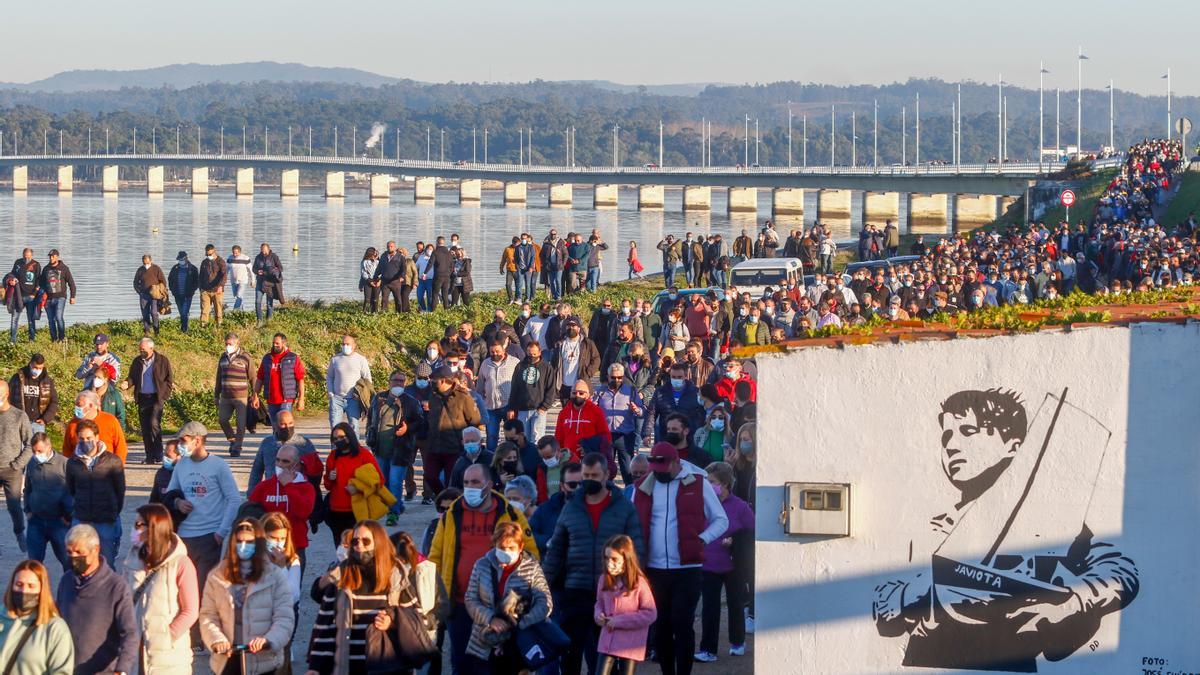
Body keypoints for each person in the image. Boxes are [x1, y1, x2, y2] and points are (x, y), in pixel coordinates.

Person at [428, 464, 537, 674]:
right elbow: (436, 555)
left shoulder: (510, 514)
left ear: (488, 484)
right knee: (462, 662)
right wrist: (435, 593)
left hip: (498, 606)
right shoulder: (453, 513)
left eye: (475, 482)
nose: (470, 487)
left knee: (497, 664)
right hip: (458, 604)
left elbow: (532, 556)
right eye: (466, 483)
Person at [543, 453, 644, 675]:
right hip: (575, 590)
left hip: (611, 592)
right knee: (571, 653)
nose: (589, 479)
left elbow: (636, 550)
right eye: (585, 475)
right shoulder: (571, 508)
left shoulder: (624, 507)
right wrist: (543, 586)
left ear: (607, 475)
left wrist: (633, 586)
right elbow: (556, 550)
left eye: (594, 475)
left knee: (606, 657)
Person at [635, 442, 729, 675]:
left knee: (682, 622)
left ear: (677, 463)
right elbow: (633, 524)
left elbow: (721, 520)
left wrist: (702, 539)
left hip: (688, 566)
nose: (659, 472)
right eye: (655, 466)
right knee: (662, 626)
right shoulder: (642, 487)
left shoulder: (698, 484)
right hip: (654, 569)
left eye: (664, 466)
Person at [165, 421, 241, 646]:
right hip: (185, 536)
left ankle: (203, 637)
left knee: (204, 588)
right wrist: (178, 502)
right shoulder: (181, 465)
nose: (180, 445)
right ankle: (187, 635)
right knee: (181, 588)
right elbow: (169, 494)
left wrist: (221, 531)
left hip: (210, 536)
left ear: (197, 440)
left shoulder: (218, 466)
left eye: (183, 440)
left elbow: (234, 498)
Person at [307, 521, 410, 675]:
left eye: (366, 541)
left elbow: (416, 616)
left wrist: (392, 619)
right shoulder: (341, 576)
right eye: (355, 541)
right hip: (348, 664)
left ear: (379, 542)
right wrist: (316, 667)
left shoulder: (397, 576)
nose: (359, 545)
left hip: (388, 664)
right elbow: (325, 626)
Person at [199, 517, 295, 675]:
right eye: (239, 541)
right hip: (226, 660)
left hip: (263, 661)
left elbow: (285, 617)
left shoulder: (275, 575)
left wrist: (268, 640)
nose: (243, 546)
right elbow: (208, 616)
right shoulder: (217, 576)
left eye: (249, 542)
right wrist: (217, 639)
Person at [463, 520, 552, 674]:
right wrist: (490, 619)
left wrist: (520, 624)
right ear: (495, 545)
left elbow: (545, 603)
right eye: (502, 548)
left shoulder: (532, 568)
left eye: (511, 548)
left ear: (520, 547)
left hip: (518, 644)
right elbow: (471, 599)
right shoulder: (482, 565)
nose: (506, 552)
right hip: (485, 641)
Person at [126, 503, 199, 674]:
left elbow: (191, 611)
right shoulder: (133, 559)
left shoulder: (181, 564)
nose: (134, 530)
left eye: (138, 525)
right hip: (135, 653)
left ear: (154, 528)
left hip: (168, 658)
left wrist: (167, 637)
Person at [56, 524, 138, 675]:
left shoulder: (116, 586)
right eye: (69, 552)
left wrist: (122, 670)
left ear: (96, 550)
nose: (73, 557)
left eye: (79, 552)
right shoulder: (66, 581)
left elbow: (130, 634)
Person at [694, 462, 754, 664]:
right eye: (707, 481)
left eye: (713, 482)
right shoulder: (701, 504)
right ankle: (708, 649)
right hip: (708, 563)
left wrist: (735, 541)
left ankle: (737, 642)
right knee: (709, 608)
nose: (708, 485)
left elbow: (752, 532)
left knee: (735, 605)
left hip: (733, 565)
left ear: (726, 483)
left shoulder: (741, 507)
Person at [366, 370, 425, 526]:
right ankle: (396, 506)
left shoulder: (411, 402)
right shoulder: (379, 398)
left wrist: (408, 429)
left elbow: (421, 423)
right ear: (389, 381)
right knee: (383, 482)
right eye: (395, 380)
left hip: (401, 450)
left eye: (401, 381)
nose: (398, 383)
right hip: (380, 448)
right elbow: (371, 419)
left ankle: (393, 513)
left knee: (395, 482)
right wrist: (369, 436)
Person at [64, 420, 125, 568]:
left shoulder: (113, 461)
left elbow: (120, 490)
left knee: (107, 563)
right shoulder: (72, 463)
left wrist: (113, 511)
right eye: (82, 439)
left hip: (105, 519)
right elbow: (71, 489)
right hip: (82, 518)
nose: (86, 442)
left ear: (97, 437)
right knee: (80, 564)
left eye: (89, 438)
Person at [594, 534, 657, 675]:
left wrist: (619, 621)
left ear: (626, 559)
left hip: (630, 644)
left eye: (614, 559)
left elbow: (650, 613)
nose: (609, 563)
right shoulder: (604, 579)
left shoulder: (639, 583)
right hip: (607, 642)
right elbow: (599, 603)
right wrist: (598, 615)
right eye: (606, 558)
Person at [248, 445, 317, 571]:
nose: (280, 464)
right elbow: (249, 514)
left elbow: (303, 512)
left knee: (292, 590)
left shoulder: (306, 488)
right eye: (278, 460)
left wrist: (288, 486)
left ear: (297, 465)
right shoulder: (264, 487)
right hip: (267, 549)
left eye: (285, 461)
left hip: (294, 548)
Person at [0, 560, 75, 674]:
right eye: (19, 585)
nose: (24, 591)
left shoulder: (54, 629)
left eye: (31, 586)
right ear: (11, 586)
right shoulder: (2, 618)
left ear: (42, 590)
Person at [425, 366, 483, 499]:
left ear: (444, 381)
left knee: (452, 482)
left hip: (454, 447)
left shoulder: (463, 397)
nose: (432, 383)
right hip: (434, 445)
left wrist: (468, 440)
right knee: (430, 476)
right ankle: (444, 499)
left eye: (434, 380)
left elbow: (475, 420)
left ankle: (449, 509)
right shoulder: (433, 396)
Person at [323, 422, 384, 546]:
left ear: (350, 436)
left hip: (358, 510)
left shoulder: (363, 455)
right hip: (336, 511)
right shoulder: (332, 457)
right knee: (341, 550)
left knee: (358, 549)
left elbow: (379, 481)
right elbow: (327, 485)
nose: (338, 441)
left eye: (341, 437)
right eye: (335, 439)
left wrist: (359, 489)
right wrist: (330, 478)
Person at [247, 409, 322, 493]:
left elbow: (315, 472)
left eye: (290, 423)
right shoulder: (267, 443)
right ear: (275, 425)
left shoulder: (304, 443)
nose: (287, 427)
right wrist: (252, 493)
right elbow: (257, 469)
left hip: (296, 493)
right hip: (272, 492)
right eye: (283, 424)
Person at [23, 433, 69, 570]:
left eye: (40, 451)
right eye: (34, 451)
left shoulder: (64, 463)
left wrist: (68, 516)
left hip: (59, 522)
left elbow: (73, 491)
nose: (36, 454)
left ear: (49, 447)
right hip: (36, 522)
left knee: (69, 563)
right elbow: (27, 489)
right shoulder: (31, 463)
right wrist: (28, 510)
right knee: (33, 565)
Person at [123, 337, 173, 464]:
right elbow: (132, 377)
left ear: (151, 348)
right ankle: (149, 455)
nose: (141, 352)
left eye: (143, 350)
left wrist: (164, 395)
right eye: (140, 350)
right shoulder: (137, 362)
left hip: (157, 397)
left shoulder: (162, 360)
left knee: (154, 423)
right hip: (142, 398)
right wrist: (127, 383)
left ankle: (159, 453)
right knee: (145, 428)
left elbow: (169, 379)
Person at [594, 363, 643, 484]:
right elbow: (591, 410)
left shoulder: (631, 391)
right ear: (608, 376)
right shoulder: (600, 392)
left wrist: (637, 410)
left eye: (620, 377)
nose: (617, 380)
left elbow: (642, 412)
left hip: (625, 436)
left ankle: (629, 496)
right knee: (606, 471)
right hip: (606, 436)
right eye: (613, 377)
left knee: (627, 470)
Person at [0, 380, 32, 551]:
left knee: (13, 507)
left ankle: (20, 533)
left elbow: (30, 443)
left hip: (12, 469)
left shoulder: (19, 416)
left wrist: (18, 464)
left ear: (5, 395)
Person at [214, 333, 258, 458]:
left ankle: (237, 448)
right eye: (226, 344)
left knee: (240, 424)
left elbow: (253, 378)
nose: (228, 346)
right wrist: (216, 395)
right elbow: (218, 378)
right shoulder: (223, 357)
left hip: (241, 396)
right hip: (226, 396)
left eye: (230, 344)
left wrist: (255, 395)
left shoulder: (246, 357)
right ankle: (232, 439)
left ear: (237, 343)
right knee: (222, 419)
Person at [62, 390, 128, 465]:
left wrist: (117, 468)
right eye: (76, 405)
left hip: (106, 469)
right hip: (80, 471)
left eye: (79, 405)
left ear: (91, 405)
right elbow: (66, 450)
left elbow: (121, 447)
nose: (76, 408)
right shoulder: (72, 424)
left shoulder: (110, 420)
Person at [507, 340, 555, 444]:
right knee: (523, 440)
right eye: (529, 353)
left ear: (539, 352)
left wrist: (544, 407)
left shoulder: (547, 367)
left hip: (539, 409)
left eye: (534, 354)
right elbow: (514, 388)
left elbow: (551, 389)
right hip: (523, 409)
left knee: (537, 440)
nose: (532, 356)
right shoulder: (520, 366)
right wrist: (511, 408)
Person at [476, 341, 519, 454]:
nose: (495, 354)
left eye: (497, 351)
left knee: (512, 436)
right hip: (490, 406)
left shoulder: (514, 362)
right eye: (492, 352)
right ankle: (492, 462)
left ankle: (512, 459)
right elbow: (480, 384)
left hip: (508, 406)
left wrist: (514, 406)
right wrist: (479, 404)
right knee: (491, 437)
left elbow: (519, 385)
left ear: (504, 350)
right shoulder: (485, 364)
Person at [326, 334, 372, 436]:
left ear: (354, 345)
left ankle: (355, 451)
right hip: (337, 399)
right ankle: (335, 450)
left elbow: (367, 380)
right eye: (343, 344)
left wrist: (364, 398)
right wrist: (331, 393)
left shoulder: (361, 360)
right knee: (335, 427)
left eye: (347, 344)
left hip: (353, 399)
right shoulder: (335, 359)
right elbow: (329, 376)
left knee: (354, 426)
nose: (345, 346)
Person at [555, 379, 612, 461]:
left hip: (590, 458)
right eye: (574, 393)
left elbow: (606, 436)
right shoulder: (563, 413)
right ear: (570, 394)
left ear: (587, 395)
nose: (577, 395)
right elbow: (558, 438)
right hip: (568, 459)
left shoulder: (596, 411)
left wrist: (590, 446)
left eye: (581, 393)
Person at [257, 333, 306, 425]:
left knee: (284, 425)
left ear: (284, 343)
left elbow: (300, 380)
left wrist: (301, 399)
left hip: (286, 400)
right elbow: (260, 378)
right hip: (271, 400)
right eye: (273, 343)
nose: (274, 345)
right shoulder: (267, 358)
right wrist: (255, 395)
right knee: (275, 428)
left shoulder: (293, 358)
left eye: (277, 343)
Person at [8, 353, 57, 434]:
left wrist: (45, 419)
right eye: (35, 367)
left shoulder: (48, 381)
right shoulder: (17, 378)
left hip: (38, 423)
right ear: (30, 364)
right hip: (19, 421)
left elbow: (54, 401)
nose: (37, 370)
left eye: (40, 368)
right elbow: (8, 396)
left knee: (37, 446)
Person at [149, 439, 186, 530]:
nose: (164, 458)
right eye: (164, 454)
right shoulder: (161, 473)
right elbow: (154, 498)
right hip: (163, 523)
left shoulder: (186, 475)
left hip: (181, 525)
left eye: (168, 456)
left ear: (180, 457)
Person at [40, 249, 75, 342]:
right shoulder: (46, 269)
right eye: (50, 256)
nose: (51, 258)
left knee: (58, 317)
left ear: (57, 257)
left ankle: (62, 337)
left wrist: (72, 296)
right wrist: (41, 293)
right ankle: (54, 339)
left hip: (60, 297)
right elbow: (41, 283)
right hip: (48, 299)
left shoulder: (64, 268)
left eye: (53, 256)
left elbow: (71, 283)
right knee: (51, 320)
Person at [10, 248, 41, 341]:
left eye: (28, 255)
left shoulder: (36, 264)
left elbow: (39, 280)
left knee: (31, 320)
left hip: (31, 297)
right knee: (14, 319)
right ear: (22, 254)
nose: (26, 257)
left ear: (32, 255)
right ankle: (12, 341)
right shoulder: (18, 262)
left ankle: (32, 339)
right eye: (25, 255)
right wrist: (12, 279)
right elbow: (12, 274)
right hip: (19, 296)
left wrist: (34, 294)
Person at [134, 254, 168, 336]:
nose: (145, 262)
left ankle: (156, 330)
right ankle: (147, 330)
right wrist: (139, 291)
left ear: (150, 260)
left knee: (154, 312)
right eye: (143, 261)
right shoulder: (140, 270)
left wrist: (160, 291)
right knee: (145, 313)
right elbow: (135, 282)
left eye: (146, 260)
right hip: (143, 295)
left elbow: (163, 281)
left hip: (154, 295)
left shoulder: (156, 268)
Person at [167, 251, 199, 333]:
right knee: (182, 312)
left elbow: (197, 281)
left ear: (186, 258)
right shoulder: (175, 268)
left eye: (181, 259)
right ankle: (185, 327)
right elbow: (170, 280)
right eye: (179, 259)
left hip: (187, 295)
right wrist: (172, 290)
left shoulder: (193, 269)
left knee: (184, 312)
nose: (180, 261)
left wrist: (192, 291)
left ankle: (184, 329)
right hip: (177, 295)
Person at [252, 242, 284, 325]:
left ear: (268, 249)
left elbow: (280, 268)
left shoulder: (274, 257)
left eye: (265, 250)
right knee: (257, 302)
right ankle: (260, 321)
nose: (263, 252)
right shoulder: (258, 257)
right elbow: (254, 268)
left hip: (270, 283)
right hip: (260, 282)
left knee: (269, 303)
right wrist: (257, 271)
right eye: (262, 250)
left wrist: (269, 271)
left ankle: (269, 321)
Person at [88, 364, 126, 429]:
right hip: (91, 429)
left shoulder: (114, 394)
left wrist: (119, 431)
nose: (96, 379)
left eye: (99, 377)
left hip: (108, 429)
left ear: (105, 379)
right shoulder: (87, 393)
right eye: (95, 377)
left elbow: (121, 415)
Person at [198, 244, 228, 326]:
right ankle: (203, 327)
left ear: (214, 251)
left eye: (210, 254)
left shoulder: (220, 262)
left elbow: (224, 275)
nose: (208, 256)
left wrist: (221, 286)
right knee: (204, 310)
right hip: (205, 290)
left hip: (217, 290)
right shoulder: (204, 262)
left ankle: (219, 326)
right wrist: (201, 288)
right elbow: (200, 276)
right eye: (207, 254)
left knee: (218, 310)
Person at [227, 245, 252, 311]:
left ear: (240, 252)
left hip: (243, 281)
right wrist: (224, 279)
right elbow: (227, 269)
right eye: (233, 253)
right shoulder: (230, 258)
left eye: (236, 253)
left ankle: (234, 311)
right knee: (236, 297)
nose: (234, 254)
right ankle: (241, 311)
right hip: (233, 281)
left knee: (239, 296)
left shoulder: (245, 258)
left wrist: (253, 281)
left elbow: (250, 270)